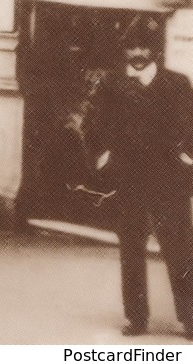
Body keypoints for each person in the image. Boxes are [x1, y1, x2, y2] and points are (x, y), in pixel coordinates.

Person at [84, 28, 193, 337]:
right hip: (128, 177)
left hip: (169, 177)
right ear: (124, 52)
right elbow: (94, 122)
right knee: (131, 247)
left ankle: (190, 317)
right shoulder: (112, 84)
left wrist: (189, 156)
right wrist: (102, 154)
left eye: (143, 47)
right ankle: (136, 317)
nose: (137, 54)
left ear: (155, 50)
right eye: (131, 48)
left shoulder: (177, 83)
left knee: (180, 248)